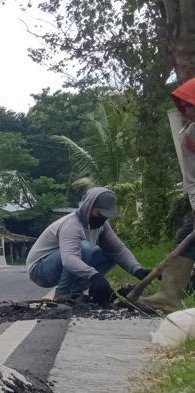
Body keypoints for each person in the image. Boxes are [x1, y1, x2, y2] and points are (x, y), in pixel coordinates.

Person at [26, 187, 151, 304]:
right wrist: (94, 275)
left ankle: (76, 293)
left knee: (111, 254)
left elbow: (118, 249)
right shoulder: (72, 224)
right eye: (100, 214)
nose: (102, 219)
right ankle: (62, 295)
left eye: (106, 216)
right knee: (84, 247)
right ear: (88, 207)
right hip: (40, 270)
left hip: (62, 263)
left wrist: (137, 269)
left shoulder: (102, 226)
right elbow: (69, 259)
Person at [141, 77, 195, 312]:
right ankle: (168, 297)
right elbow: (192, 180)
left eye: (190, 105)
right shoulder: (189, 138)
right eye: (185, 106)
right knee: (187, 236)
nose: (187, 110)